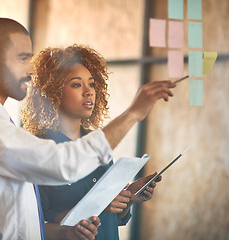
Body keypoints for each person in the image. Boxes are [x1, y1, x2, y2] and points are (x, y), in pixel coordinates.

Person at [0, 17, 176, 239]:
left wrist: (68, 232)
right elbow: (63, 165)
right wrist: (132, 114)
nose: (31, 70)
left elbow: (28, 222)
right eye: (23, 58)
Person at [21, 45, 162, 240]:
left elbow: (115, 217)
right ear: (52, 92)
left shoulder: (99, 142)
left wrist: (128, 197)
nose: (89, 92)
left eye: (92, 84)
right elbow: (36, 223)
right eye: (77, 85)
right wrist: (100, 204)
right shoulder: (39, 148)